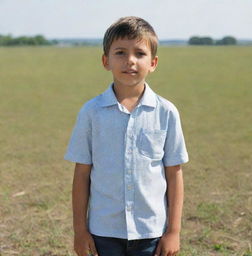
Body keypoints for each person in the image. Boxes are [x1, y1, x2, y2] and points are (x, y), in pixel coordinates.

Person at [64, 16, 189, 256]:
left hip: (151, 232)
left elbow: (174, 174)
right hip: (104, 232)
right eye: (120, 52)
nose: (130, 61)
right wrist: (80, 231)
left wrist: (173, 231)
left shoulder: (166, 112)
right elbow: (81, 175)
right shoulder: (91, 112)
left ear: (153, 62)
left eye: (139, 54)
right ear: (105, 61)